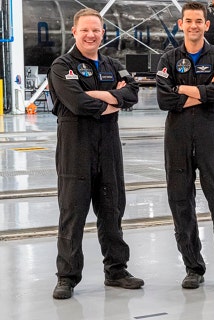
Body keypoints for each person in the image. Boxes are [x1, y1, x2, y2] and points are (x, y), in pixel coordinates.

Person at [48, 8, 143, 299]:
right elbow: (77, 104)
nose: (91, 35)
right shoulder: (62, 66)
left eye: (96, 30)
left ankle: (116, 270)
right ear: (74, 32)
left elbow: (133, 93)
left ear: (103, 33)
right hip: (74, 147)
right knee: (73, 213)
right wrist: (113, 98)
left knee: (112, 210)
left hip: (109, 147)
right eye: (85, 30)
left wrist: (100, 96)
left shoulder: (112, 64)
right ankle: (67, 276)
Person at [155, 1, 214, 291]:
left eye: (199, 21)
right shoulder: (168, 59)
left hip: (210, 138)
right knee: (181, 202)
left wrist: (181, 89)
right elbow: (163, 100)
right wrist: (204, 92)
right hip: (178, 139)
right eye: (189, 21)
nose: (194, 25)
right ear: (181, 24)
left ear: (207, 25)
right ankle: (193, 267)